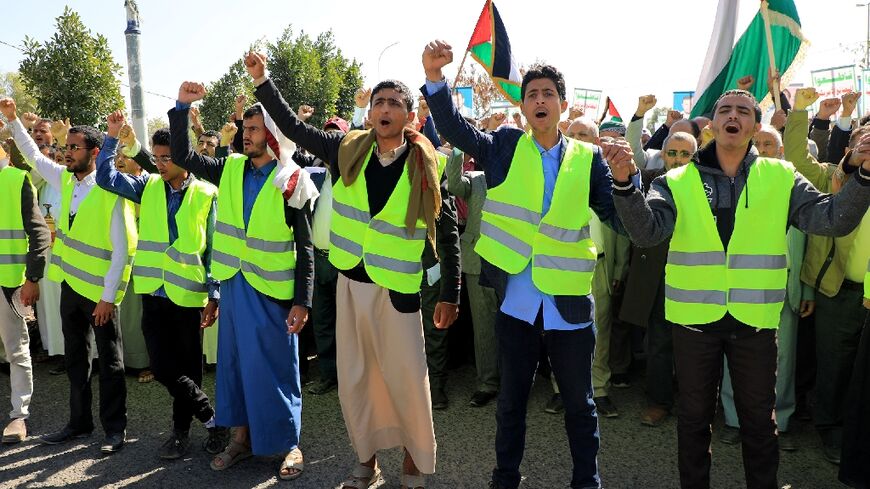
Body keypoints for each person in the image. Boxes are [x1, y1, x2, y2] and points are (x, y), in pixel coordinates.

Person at [608, 88, 870, 489]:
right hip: (695, 322)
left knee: (759, 425)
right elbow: (645, 232)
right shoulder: (675, 180)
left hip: (754, 322)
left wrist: (864, 174)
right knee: (694, 421)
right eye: (725, 110)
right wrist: (625, 185)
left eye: (744, 111)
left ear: (755, 125)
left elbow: (832, 219)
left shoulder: (782, 176)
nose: (734, 115)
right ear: (712, 125)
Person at [423, 39, 637, 489]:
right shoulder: (504, 146)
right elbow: (458, 132)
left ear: (563, 104)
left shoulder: (590, 159)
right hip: (516, 302)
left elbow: (622, 221)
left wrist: (627, 183)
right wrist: (436, 80)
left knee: (579, 405)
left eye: (548, 94)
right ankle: (505, 477)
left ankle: (587, 480)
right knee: (511, 402)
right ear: (522, 108)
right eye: (532, 94)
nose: (540, 101)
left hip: (570, 305)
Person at [244, 50, 460, 489]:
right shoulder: (346, 148)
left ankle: (414, 461)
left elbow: (447, 230)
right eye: (378, 102)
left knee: (406, 384)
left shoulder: (424, 163)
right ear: (370, 112)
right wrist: (263, 80)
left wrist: (450, 293)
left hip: (399, 294)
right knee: (358, 381)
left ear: (409, 115)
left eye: (394, 103)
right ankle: (366, 461)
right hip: (350, 285)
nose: (384, 109)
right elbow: (294, 128)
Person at [168, 80, 315, 480]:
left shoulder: (292, 179)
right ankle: (241, 439)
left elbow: (305, 247)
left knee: (276, 370)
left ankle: (289, 445)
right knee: (234, 368)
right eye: (245, 129)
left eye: (252, 129)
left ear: (271, 135)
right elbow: (181, 154)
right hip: (233, 288)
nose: (244, 135)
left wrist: (303, 300)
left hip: (273, 294)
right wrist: (181, 107)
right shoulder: (230, 168)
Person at [1, 98, 138, 455]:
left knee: (110, 363)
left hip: (101, 294)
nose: (66, 152)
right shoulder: (63, 179)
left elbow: (123, 250)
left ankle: (114, 430)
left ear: (94, 152)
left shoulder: (111, 189)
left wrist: (109, 297)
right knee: (77, 361)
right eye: (66, 146)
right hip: (71, 288)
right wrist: (14, 122)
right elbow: (33, 156)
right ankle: (79, 424)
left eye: (74, 148)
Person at [94, 113, 228, 459]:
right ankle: (211, 417)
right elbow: (106, 178)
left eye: (167, 157)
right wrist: (111, 138)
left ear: (182, 156)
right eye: (157, 157)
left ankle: (182, 433)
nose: (161, 163)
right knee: (163, 366)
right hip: (153, 292)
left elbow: (214, 248)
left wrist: (214, 295)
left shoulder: (207, 193)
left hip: (187, 294)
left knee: (188, 368)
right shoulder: (147, 185)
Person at [784, 87, 870, 465]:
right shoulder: (829, 178)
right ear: (849, 148)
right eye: (864, 142)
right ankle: (830, 430)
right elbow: (796, 157)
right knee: (834, 365)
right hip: (839, 291)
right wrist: (801, 111)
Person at [0, 144, 51, 443]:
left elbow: (39, 233)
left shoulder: (16, 179)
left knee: (16, 351)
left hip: (9, 283)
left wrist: (32, 278)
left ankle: (19, 416)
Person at [445, 148, 500, 407]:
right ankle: (487, 384)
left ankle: (515, 381)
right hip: (477, 261)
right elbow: (454, 183)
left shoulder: (521, 175)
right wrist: (459, 149)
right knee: (484, 327)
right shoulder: (477, 178)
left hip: (512, 262)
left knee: (515, 326)